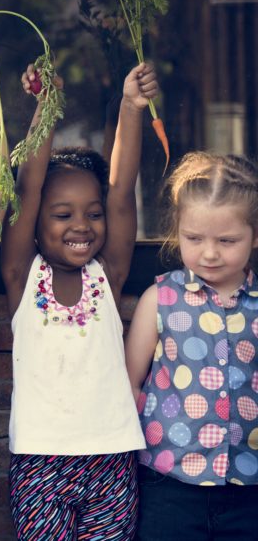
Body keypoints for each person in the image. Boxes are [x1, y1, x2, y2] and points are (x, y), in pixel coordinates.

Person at [1, 63, 158, 539]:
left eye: (91, 214)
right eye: (62, 214)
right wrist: (46, 109)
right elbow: (27, 191)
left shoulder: (106, 276)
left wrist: (131, 108)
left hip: (111, 457)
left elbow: (121, 196)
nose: (82, 225)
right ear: (39, 221)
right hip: (39, 460)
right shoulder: (22, 277)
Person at [125, 152, 258, 541]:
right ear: (177, 231)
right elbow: (130, 385)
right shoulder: (160, 298)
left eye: (227, 240)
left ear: (255, 234)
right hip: (170, 483)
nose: (210, 252)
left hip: (248, 489)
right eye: (194, 239)